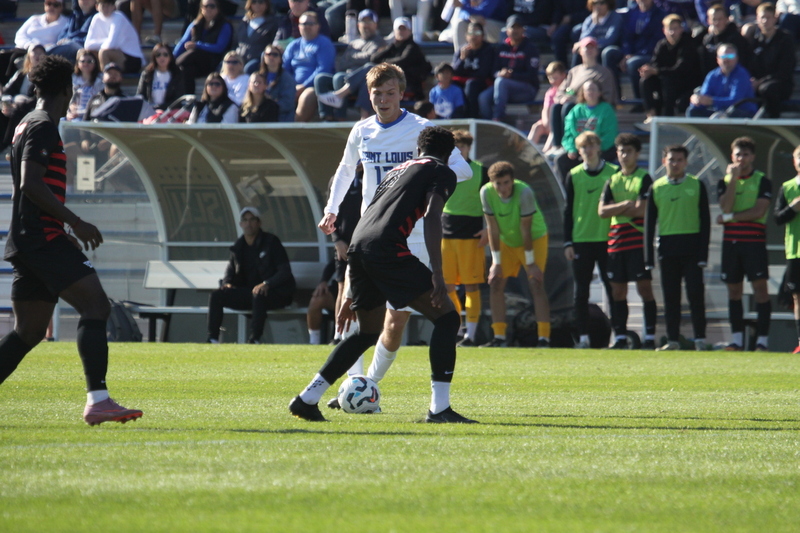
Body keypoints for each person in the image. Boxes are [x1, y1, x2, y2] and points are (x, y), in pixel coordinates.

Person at [290, 126, 477, 424]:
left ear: (418, 149)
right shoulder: (442, 171)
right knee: (447, 318)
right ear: (448, 153)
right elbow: (431, 217)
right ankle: (440, 409)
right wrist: (438, 274)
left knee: (367, 331)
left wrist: (352, 285)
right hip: (388, 249)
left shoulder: (395, 171)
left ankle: (307, 398)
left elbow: (371, 216)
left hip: (358, 246)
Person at [0, 55, 142, 426]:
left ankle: (99, 400)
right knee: (96, 305)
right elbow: (31, 184)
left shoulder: (27, 122)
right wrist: (75, 223)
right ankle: (98, 400)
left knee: (29, 331)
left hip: (32, 237)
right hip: (40, 239)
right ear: (69, 88)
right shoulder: (44, 125)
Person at [319, 63, 471, 408]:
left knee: (395, 319)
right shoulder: (361, 131)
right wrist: (331, 210)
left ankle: (367, 384)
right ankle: (353, 388)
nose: (383, 100)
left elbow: (463, 168)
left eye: (390, 93)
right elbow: (345, 170)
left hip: (415, 235)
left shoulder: (423, 129)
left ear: (402, 94)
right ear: (368, 95)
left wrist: (424, 176)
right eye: (377, 94)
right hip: (370, 235)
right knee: (353, 312)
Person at [644, 144, 710, 351]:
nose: (675, 164)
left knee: (695, 296)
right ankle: (672, 340)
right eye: (671, 160)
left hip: (691, 249)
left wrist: (703, 254)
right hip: (668, 249)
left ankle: (699, 338)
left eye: (679, 160)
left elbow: (706, 221)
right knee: (671, 297)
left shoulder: (697, 185)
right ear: (664, 162)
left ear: (686, 162)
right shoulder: (656, 187)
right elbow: (649, 225)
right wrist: (649, 258)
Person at [481, 161, 551, 348]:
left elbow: (526, 229)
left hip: (534, 238)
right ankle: (499, 337)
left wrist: (531, 263)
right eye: (498, 184)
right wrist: (496, 263)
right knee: (495, 282)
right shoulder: (486, 193)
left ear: (513, 180)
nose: (503, 188)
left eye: (506, 183)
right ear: (491, 182)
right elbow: (492, 229)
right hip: (507, 241)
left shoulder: (525, 192)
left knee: (536, 283)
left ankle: (544, 338)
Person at [598, 133, 657, 350]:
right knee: (617, 292)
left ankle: (649, 337)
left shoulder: (644, 178)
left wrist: (619, 207)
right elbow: (602, 211)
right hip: (616, 242)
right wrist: (625, 204)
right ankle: (620, 337)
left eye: (629, 151)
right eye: (621, 151)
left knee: (644, 289)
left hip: (637, 242)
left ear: (637, 153)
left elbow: (642, 209)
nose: (624, 155)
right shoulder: (612, 179)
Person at [207, 207, 296, 344]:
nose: (248, 224)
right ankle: (212, 338)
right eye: (245, 220)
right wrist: (227, 283)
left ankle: (254, 339)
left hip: (276, 293)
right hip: (249, 293)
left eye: (252, 220)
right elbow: (230, 271)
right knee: (217, 295)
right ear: (241, 224)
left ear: (259, 223)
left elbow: (285, 271)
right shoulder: (239, 246)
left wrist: (267, 283)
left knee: (258, 294)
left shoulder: (271, 242)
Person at [717, 137, 772, 351]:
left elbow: (759, 211)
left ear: (753, 157)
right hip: (731, 243)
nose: (742, 159)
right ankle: (737, 341)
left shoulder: (762, 180)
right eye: (738, 154)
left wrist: (730, 218)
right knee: (733, 291)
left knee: (761, 290)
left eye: (746, 155)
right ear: (732, 156)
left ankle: (762, 341)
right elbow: (725, 207)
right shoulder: (725, 180)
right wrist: (732, 180)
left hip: (754, 242)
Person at [563, 131, 616, 349]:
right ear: (579, 150)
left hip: (608, 239)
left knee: (613, 289)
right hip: (581, 239)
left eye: (592, 145)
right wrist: (568, 242)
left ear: (599, 147)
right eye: (584, 147)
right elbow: (568, 211)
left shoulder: (613, 173)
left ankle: (617, 335)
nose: (588, 150)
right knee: (581, 292)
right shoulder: (573, 175)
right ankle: (583, 337)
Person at [442, 130, 487, 347]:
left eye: (463, 145)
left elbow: (492, 203)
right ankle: (456, 329)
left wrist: (488, 229)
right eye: (456, 146)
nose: (460, 150)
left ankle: (472, 334)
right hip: (446, 235)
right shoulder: (443, 169)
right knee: (448, 286)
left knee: (471, 287)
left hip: (471, 235)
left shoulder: (481, 171)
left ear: (469, 147)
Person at [314, 8, 384, 121]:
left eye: (369, 22)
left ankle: (340, 117)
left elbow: (370, 58)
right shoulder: (354, 43)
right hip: (347, 74)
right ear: (358, 25)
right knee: (321, 78)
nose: (366, 25)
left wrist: (351, 57)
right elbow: (342, 63)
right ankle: (326, 117)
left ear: (375, 24)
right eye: (363, 22)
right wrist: (357, 57)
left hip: (362, 81)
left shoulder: (380, 41)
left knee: (339, 77)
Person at [549, 36, 616, 154]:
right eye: (586, 48)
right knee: (556, 107)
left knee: (568, 107)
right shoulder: (574, 71)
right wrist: (565, 97)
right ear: (580, 51)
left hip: (589, 109)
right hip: (571, 105)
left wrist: (577, 99)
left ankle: (568, 147)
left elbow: (607, 96)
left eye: (592, 48)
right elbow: (563, 91)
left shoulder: (604, 73)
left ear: (596, 51)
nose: (589, 50)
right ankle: (557, 145)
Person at [639, 14, 702, 122]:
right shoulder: (661, 44)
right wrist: (648, 70)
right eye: (670, 29)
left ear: (681, 29)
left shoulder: (688, 44)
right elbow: (655, 63)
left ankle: (667, 117)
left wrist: (657, 71)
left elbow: (681, 69)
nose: (672, 32)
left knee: (668, 81)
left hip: (687, 83)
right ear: (664, 30)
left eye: (675, 29)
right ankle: (651, 116)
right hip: (666, 79)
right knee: (645, 81)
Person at [478, 15, 541, 122]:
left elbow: (531, 75)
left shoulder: (531, 48)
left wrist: (511, 75)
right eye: (512, 27)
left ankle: (498, 118)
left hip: (526, 90)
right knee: (483, 97)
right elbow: (493, 71)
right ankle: (489, 125)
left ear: (523, 30)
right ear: (507, 30)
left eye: (518, 27)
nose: (515, 30)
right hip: (503, 89)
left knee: (502, 82)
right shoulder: (501, 48)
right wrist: (500, 73)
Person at [601, 0, 664, 106]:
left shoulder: (660, 14)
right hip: (631, 53)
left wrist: (635, 55)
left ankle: (639, 101)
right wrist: (627, 53)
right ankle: (614, 97)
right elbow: (626, 37)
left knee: (633, 63)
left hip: (649, 54)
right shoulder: (631, 13)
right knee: (609, 53)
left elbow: (656, 41)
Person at [556, 79, 618, 184]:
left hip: (600, 150)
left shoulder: (606, 109)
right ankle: (566, 193)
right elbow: (568, 134)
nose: (591, 92)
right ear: (583, 93)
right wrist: (572, 149)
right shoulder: (576, 110)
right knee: (561, 161)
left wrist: (593, 149)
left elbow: (610, 135)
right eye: (588, 90)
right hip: (579, 150)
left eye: (594, 90)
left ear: (599, 93)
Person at [282, 10, 335, 122]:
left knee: (307, 95)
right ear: (299, 26)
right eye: (303, 24)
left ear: (318, 26)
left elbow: (323, 69)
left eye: (310, 24)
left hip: (313, 87)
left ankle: (293, 130)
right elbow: (284, 69)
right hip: (292, 86)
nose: (307, 27)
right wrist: (291, 85)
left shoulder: (324, 43)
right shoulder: (293, 45)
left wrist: (303, 86)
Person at [174, 0, 234, 95]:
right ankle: (189, 99)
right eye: (206, 6)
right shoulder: (195, 24)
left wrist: (197, 45)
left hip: (214, 61)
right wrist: (172, 57)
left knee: (194, 52)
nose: (209, 9)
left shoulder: (225, 25)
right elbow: (182, 43)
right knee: (185, 69)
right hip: (197, 63)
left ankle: (172, 67)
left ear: (218, 9)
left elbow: (220, 48)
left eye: (212, 6)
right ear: (201, 8)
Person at [747, 3, 795, 118]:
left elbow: (785, 70)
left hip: (781, 83)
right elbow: (749, 63)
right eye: (762, 18)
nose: (765, 21)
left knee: (767, 89)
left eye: (768, 17)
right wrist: (752, 80)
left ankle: (773, 120)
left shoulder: (785, 39)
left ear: (775, 18)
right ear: (757, 19)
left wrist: (761, 81)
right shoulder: (754, 40)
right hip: (758, 82)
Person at [774, 144, 800, 354]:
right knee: (797, 297)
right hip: (796, 251)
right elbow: (777, 218)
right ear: (794, 161)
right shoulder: (788, 187)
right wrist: (793, 207)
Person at [687, 43, 756, 118]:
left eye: (730, 56)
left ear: (737, 58)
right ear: (717, 59)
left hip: (741, 113)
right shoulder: (712, 75)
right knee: (692, 110)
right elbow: (705, 97)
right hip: (719, 112)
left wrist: (712, 101)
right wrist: (696, 100)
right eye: (723, 56)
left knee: (731, 113)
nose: (726, 59)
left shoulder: (742, 75)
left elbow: (736, 100)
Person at [83, 0, 143, 73]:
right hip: (113, 54)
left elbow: (111, 45)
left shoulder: (118, 17)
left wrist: (99, 43)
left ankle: (105, 80)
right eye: (103, 6)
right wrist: (106, 40)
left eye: (108, 6)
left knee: (103, 53)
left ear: (114, 7)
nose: (106, 9)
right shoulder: (96, 18)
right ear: (97, 7)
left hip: (131, 59)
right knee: (83, 53)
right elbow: (87, 45)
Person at [451, 20, 494, 119]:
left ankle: (472, 117)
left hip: (482, 83)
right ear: (466, 36)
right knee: (450, 84)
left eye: (477, 33)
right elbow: (454, 72)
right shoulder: (462, 49)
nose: (473, 36)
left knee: (471, 85)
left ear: (483, 35)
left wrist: (467, 76)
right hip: (465, 81)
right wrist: (462, 59)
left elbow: (483, 73)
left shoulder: (488, 50)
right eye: (470, 33)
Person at [697, 3, 751, 77]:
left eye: (720, 19)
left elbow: (742, 61)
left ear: (726, 19)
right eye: (714, 19)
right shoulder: (707, 40)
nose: (717, 22)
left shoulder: (736, 39)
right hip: (713, 79)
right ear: (708, 21)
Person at [528, 60, 566, 152]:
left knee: (554, 129)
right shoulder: (550, 92)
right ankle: (526, 151)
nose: (552, 81)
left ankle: (545, 153)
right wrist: (546, 123)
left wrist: (551, 125)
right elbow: (546, 109)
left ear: (563, 75)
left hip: (560, 124)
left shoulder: (567, 90)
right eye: (550, 78)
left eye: (555, 78)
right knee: (537, 127)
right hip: (549, 122)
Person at [573, 0, 623, 68]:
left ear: (608, 4)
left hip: (611, 48)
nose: (598, 6)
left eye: (602, 3)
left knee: (605, 52)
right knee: (579, 49)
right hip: (595, 47)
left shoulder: (615, 18)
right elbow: (584, 38)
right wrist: (594, 24)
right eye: (595, 3)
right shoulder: (590, 19)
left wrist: (593, 44)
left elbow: (611, 39)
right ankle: (574, 75)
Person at [136, 43, 185, 111]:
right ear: (154, 57)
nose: (162, 57)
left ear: (170, 57)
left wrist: (161, 108)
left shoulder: (177, 74)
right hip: (150, 112)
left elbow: (178, 99)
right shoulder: (147, 74)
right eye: (158, 55)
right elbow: (140, 96)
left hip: (169, 112)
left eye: (165, 54)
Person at [235, 0, 279, 73]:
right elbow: (235, 42)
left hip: (258, 60)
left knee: (248, 69)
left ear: (266, 4)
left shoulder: (273, 22)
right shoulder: (244, 21)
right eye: (254, 2)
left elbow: (272, 45)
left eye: (261, 2)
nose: (257, 4)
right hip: (239, 57)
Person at [260, 43, 295, 121]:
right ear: (264, 57)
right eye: (268, 54)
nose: (271, 57)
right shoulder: (258, 76)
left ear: (280, 59)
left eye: (275, 54)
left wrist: (269, 106)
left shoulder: (287, 78)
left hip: (281, 119)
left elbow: (287, 103)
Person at [67, 48, 103, 120]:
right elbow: (69, 100)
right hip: (77, 115)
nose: (86, 64)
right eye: (82, 61)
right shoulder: (73, 79)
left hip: (95, 114)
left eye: (90, 61)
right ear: (78, 63)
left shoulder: (101, 80)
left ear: (95, 63)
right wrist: (70, 111)